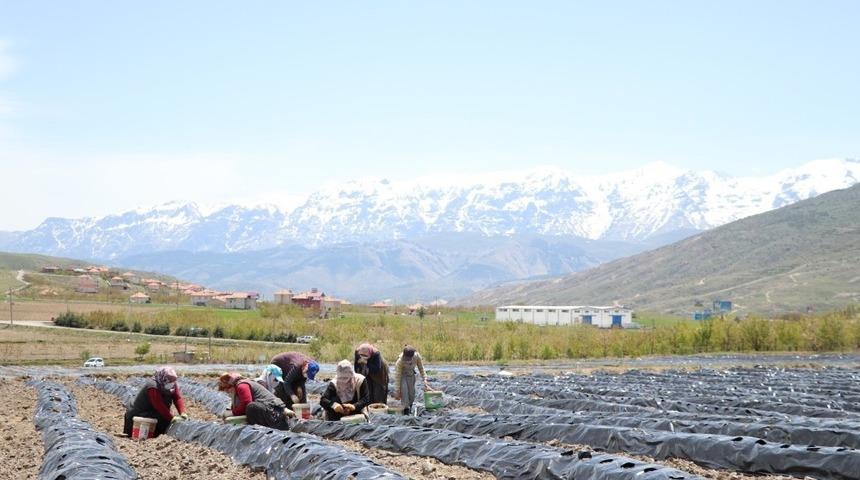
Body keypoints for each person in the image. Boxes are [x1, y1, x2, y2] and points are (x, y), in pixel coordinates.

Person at [123, 366, 187, 437]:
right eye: (170, 381)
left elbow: (177, 397)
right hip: (140, 413)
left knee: (165, 421)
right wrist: (171, 418)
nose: (171, 384)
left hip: (153, 412)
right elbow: (158, 405)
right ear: (163, 378)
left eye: (173, 382)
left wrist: (182, 412)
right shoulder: (153, 386)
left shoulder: (171, 384)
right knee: (163, 421)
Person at [218, 372, 290, 429]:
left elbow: (246, 403)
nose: (227, 392)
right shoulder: (238, 387)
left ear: (230, 385)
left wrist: (234, 412)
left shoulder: (242, 386)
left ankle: (268, 428)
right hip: (268, 410)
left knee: (251, 407)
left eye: (227, 389)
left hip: (274, 413)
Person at [393, 345, 430, 415]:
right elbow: (397, 376)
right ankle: (406, 411)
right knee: (404, 393)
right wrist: (397, 391)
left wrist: (425, 379)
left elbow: (421, 368)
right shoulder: (400, 361)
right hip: (402, 376)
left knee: (411, 394)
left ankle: (409, 408)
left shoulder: (416, 357)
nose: (407, 360)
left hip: (411, 375)